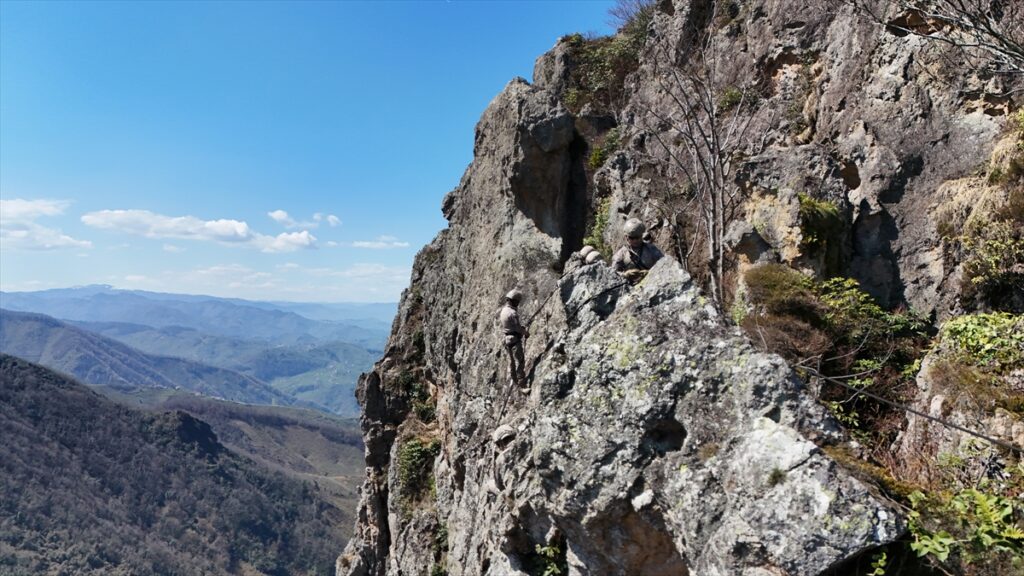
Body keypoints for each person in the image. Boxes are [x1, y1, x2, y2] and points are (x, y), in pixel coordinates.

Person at [612, 218, 664, 283]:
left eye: (637, 237)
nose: (635, 240)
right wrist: (625, 275)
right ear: (626, 237)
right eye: (632, 238)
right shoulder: (621, 254)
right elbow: (612, 274)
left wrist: (651, 273)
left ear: (642, 235)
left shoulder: (651, 249)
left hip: (652, 283)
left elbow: (664, 265)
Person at [498, 289, 529, 392]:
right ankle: (522, 385)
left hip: (507, 339)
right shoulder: (512, 313)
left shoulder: (503, 310)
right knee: (519, 361)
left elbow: (511, 326)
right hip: (514, 339)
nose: (518, 304)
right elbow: (518, 328)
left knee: (512, 363)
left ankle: (515, 382)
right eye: (517, 302)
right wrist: (525, 332)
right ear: (514, 301)